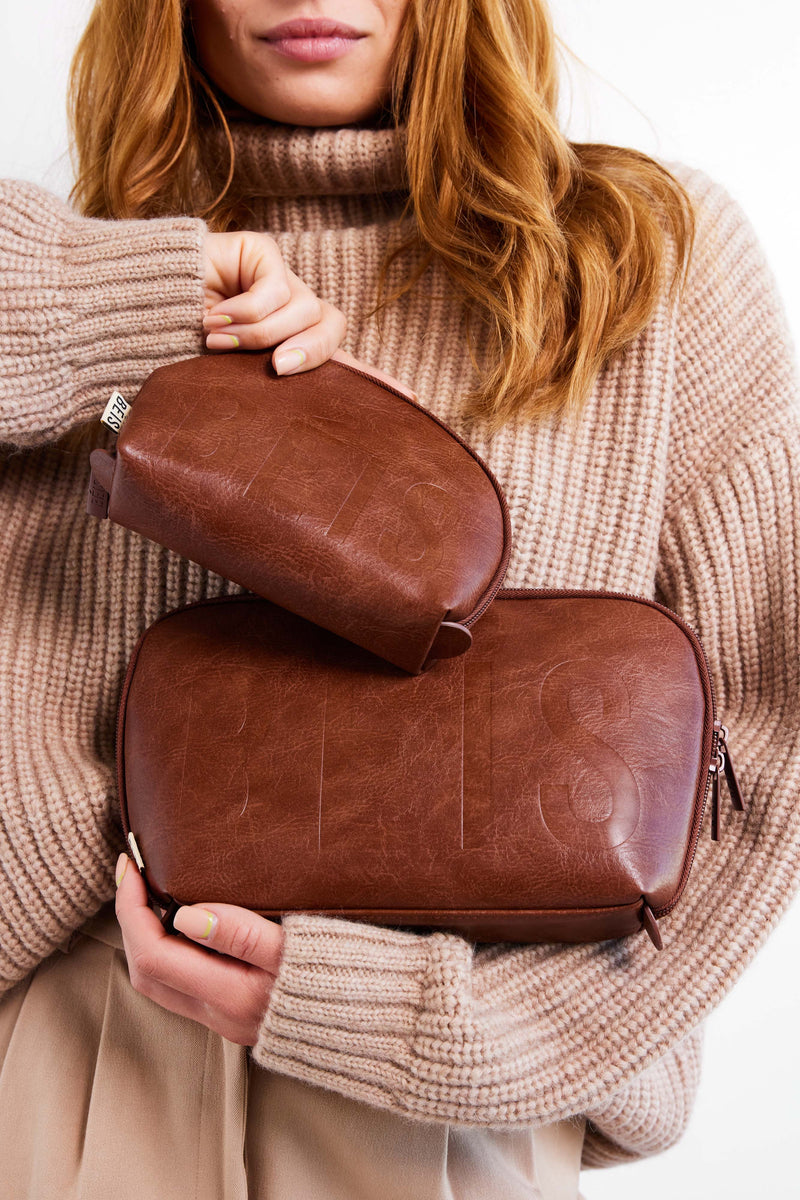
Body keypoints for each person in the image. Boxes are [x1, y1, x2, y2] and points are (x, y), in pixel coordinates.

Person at [0, 0, 798, 1196]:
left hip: (443, 1119)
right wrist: (126, 293)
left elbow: (761, 734)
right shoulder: (70, 273)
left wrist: (447, 1028)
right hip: (67, 1070)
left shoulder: (641, 260)